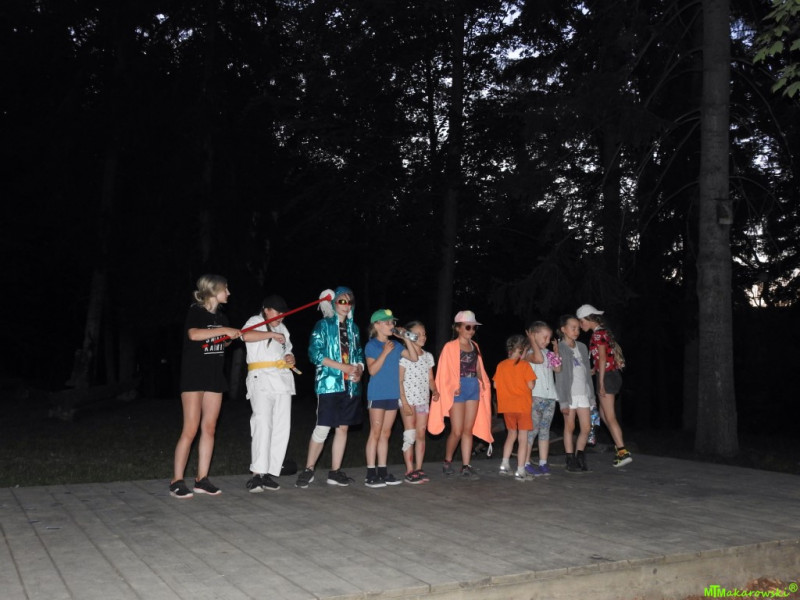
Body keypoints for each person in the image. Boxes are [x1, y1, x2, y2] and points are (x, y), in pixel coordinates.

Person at [171, 274, 243, 499]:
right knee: (190, 429)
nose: (228, 293)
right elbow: (194, 335)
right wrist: (223, 331)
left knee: (209, 428)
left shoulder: (222, 316)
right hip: (194, 377)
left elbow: (218, 342)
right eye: (225, 289)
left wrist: (229, 338)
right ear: (213, 291)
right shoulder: (196, 311)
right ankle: (176, 481)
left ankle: (201, 479)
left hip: (214, 377)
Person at [295, 287, 364, 488]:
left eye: (349, 302)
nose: (346, 305)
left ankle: (335, 472)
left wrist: (359, 370)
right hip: (329, 384)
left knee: (343, 428)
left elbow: (358, 354)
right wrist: (342, 367)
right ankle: (309, 469)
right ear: (333, 303)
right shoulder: (323, 325)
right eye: (342, 301)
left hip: (350, 386)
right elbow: (314, 354)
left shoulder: (354, 328)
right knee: (323, 427)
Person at [428, 310, 494, 480]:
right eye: (468, 327)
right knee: (457, 430)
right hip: (457, 390)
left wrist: (485, 383)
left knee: (468, 430)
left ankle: (466, 465)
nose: (471, 330)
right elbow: (443, 372)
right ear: (458, 328)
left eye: (473, 327)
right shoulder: (450, 347)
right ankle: (447, 461)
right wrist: (451, 386)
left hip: (473, 387)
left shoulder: (475, 346)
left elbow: (479, 368)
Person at [242, 294, 297, 493]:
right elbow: (245, 335)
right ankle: (257, 473)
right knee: (262, 424)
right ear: (266, 310)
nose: (281, 316)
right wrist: (270, 334)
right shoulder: (256, 321)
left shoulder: (283, 329)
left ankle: (269, 472)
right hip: (262, 379)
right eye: (277, 312)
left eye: (283, 313)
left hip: (282, 380)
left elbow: (287, 349)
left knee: (281, 427)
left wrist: (290, 357)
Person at [364, 309, 419, 487]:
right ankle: (370, 473)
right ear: (377, 325)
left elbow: (414, 357)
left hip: (392, 394)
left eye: (392, 322)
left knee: (386, 434)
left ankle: (382, 471)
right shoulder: (371, 345)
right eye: (387, 322)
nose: (391, 325)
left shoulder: (395, 344)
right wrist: (385, 352)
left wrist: (405, 339)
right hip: (377, 394)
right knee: (375, 432)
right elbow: (372, 370)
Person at [576, 304, 633, 468]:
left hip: (607, 377)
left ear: (587, 319)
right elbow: (604, 358)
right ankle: (619, 447)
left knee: (610, 416)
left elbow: (602, 358)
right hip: (607, 374)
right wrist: (593, 370)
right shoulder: (601, 332)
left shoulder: (598, 334)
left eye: (581, 322)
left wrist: (601, 382)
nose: (580, 326)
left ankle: (622, 451)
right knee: (603, 415)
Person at [399, 321, 438, 484]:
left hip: (423, 401)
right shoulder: (404, 356)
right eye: (418, 334)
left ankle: (419, 468)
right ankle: (409, 470)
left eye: (424, 334)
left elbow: (430, 378)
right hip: (408, 400)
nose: (423, 337)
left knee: (421, 433)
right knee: (410, 434)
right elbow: (400, 380)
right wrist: (404, 402)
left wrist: (435, 390)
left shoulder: (428, 356)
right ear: (409, 336)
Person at [493, 334, 537, 481]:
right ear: (522, 350)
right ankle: (520, 470)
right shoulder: (525, 365)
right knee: (523, 438)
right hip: (522, 406)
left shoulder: (501, 365)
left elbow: (495, 385)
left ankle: (504, 465)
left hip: (507, 407)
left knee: (511, 434)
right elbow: (531, 385)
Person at [555, 314, 595, 473]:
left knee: (586, 427)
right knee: (569, 426)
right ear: (563, 329)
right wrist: (563, 401)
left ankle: (580, 456)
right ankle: (570, 458)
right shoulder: (560, 348)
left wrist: (591, 395)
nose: (576, 331)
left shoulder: (582, 347)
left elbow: (585, 371)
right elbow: (559, 375)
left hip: (583, 393)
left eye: (578, 328)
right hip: (569, 394)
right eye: (573, 328)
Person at [522, 321, 562, 477]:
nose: (547, 341)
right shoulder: (528, 353)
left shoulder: (549, 353)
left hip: (550, 398)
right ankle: (525, 462)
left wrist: (556, 353)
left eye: (549, 338)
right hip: (534, 397)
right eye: (544, 337)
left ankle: (543, 462)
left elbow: (558, 369)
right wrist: (532, 341)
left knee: (544, 431)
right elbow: (538, 360)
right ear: (533, 335)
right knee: (531, 431)